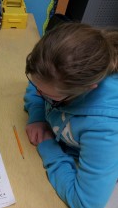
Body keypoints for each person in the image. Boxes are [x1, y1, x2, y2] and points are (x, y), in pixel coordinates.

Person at [24, 23, 118, 208]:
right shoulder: (57, 71)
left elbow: (85, 202)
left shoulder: (105, 126)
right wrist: (38, 116)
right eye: (38, 87)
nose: (38, 92)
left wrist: (48, 146)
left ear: (87, 89)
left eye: (50, 97)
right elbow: (39, 85)